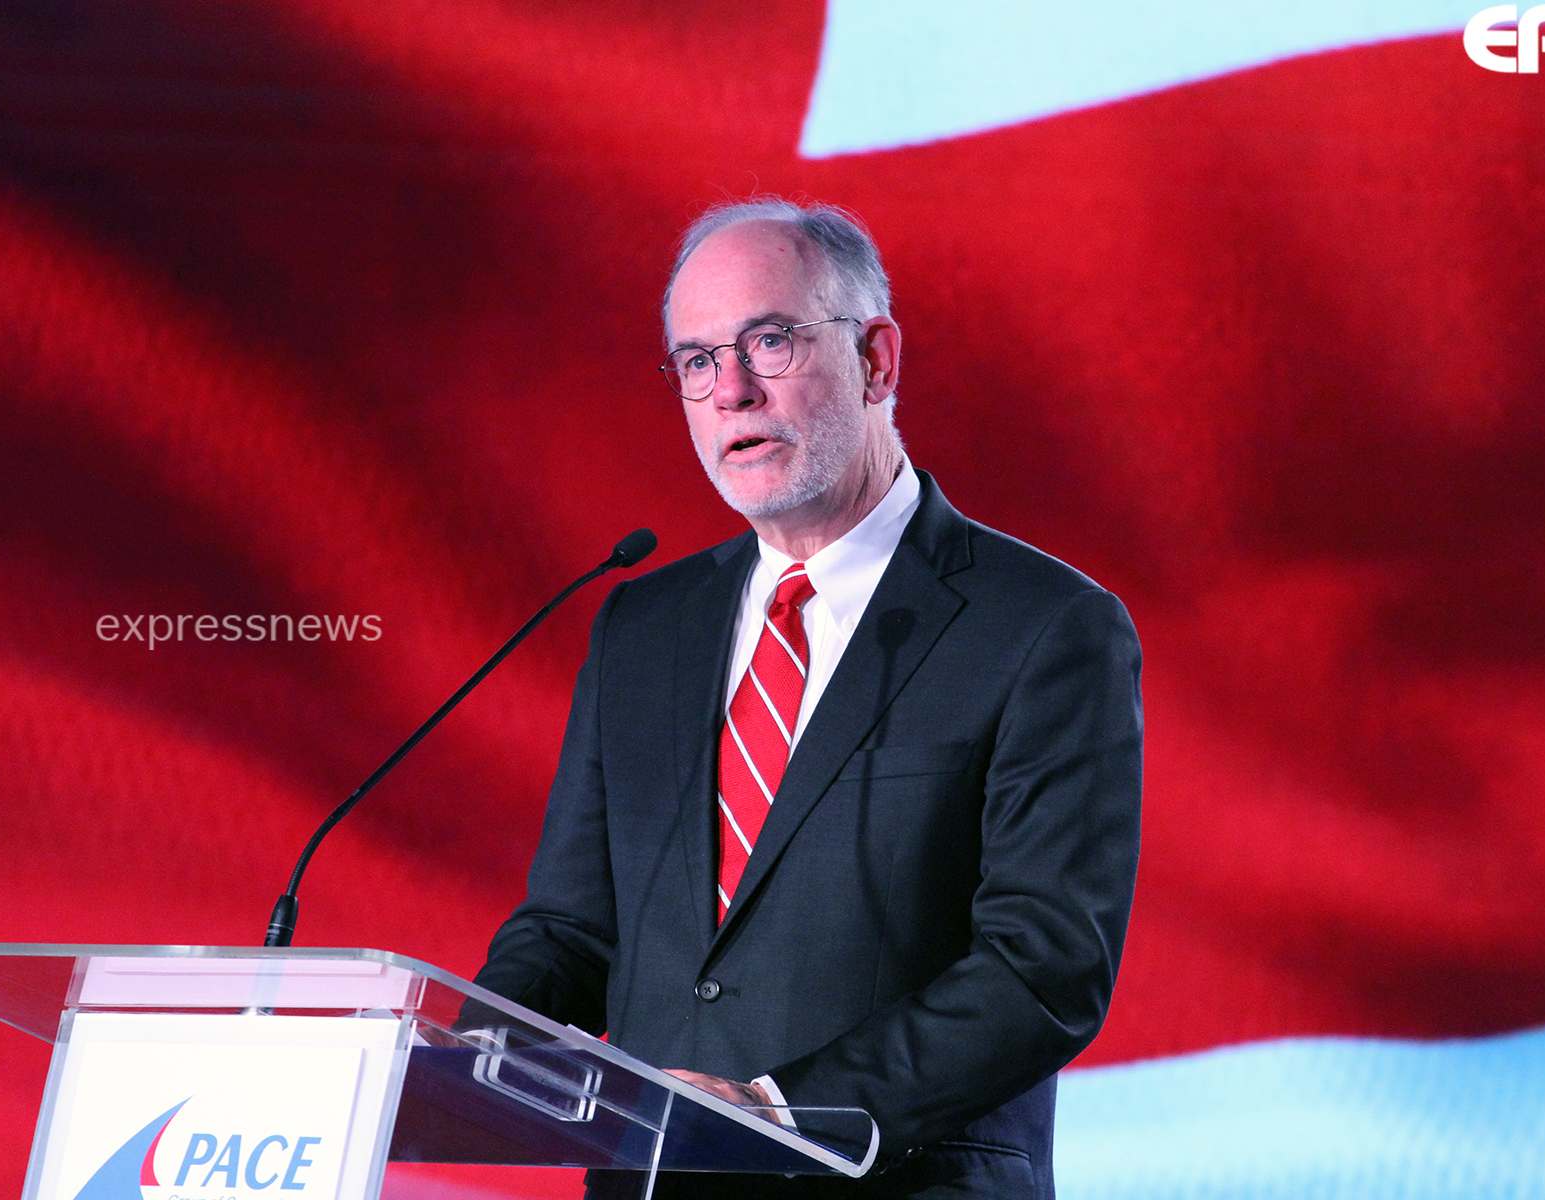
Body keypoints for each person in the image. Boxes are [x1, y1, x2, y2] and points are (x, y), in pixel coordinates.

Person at [473, 198, 1143, 1198]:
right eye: (697, 360)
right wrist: (457, 1048)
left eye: (769, 342)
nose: (731, 391)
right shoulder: (643, 628)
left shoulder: (1044, 626)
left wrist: (780, 1115)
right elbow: (572, 930)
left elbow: (1044, 969)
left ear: (877, 360)